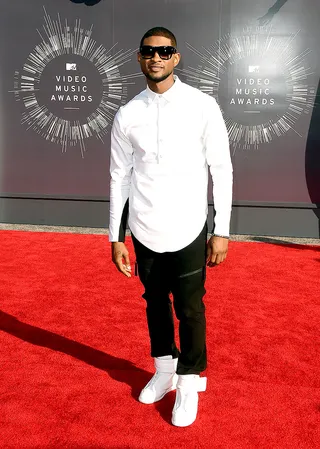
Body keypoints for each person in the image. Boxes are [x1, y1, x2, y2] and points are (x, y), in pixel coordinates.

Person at [109, 27, 233, 427]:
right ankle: (164, 369)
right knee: (154, 302)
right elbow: (118, 177)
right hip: (144, 227)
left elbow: (222, 170)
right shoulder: (127, 114)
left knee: (191, 309)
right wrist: (116, 236)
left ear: (176, 57)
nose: (156, 57)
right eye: (149, 51)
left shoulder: (202, 105)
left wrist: (222, 229)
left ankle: (189, 380)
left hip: (189, 226)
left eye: (165, 51)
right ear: (139, 58)